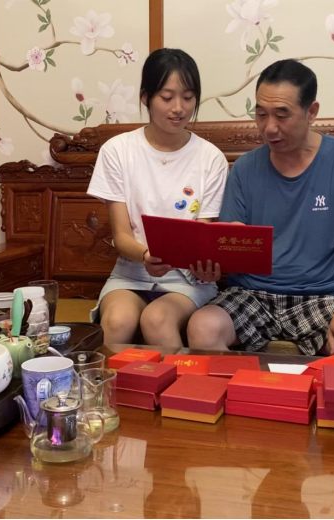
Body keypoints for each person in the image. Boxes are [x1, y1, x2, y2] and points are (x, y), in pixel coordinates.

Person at [187, 59, 334, 355]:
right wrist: (211, 266)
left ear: (311, 112)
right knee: (202, 327)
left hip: (322, 296)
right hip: (251, 294)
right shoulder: (245, 168)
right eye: (261, 114)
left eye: (282, 115)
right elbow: (232, 240)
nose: (269, 128)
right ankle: (241, 387)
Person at [87, 48, 229, 348]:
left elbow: (202, 235)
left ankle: (180, 381)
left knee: (157, 319)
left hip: (187, 279)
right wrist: (145, 257)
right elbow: (122, 235)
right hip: (131, 273)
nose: (179, 108)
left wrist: (204, 263)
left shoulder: (210, 158)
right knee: (117, 321)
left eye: (188, 97)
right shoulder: (117, 151)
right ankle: (106, 381)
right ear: (145, 97)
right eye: (167, 97)